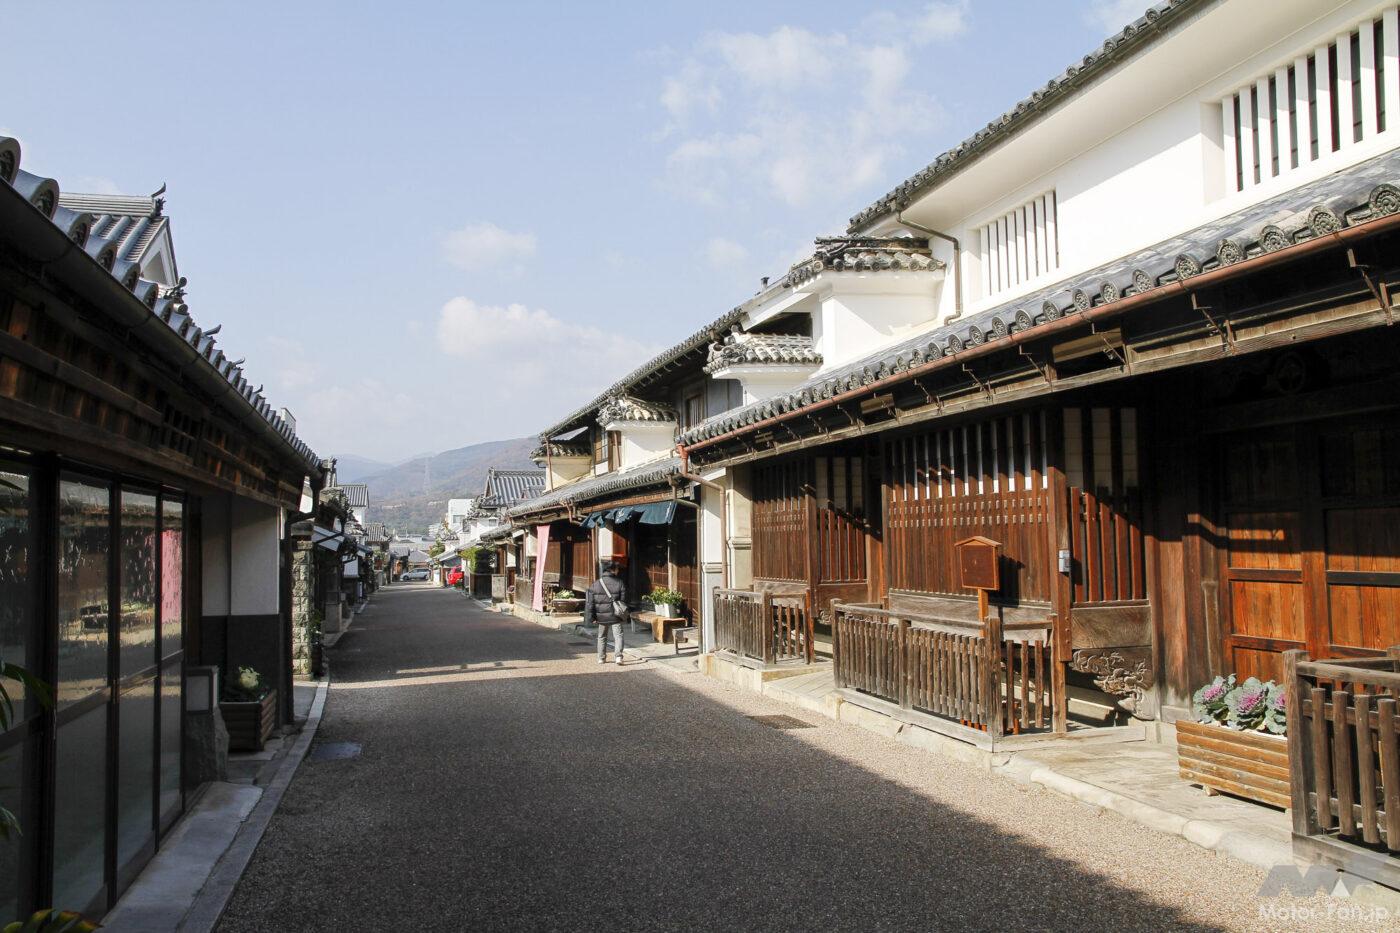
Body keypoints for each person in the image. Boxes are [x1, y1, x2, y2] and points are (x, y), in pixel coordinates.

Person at [584, 561, 627, 665]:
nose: (618, 571)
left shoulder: (596, 584)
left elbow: (590, 603)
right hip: (616, 615)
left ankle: (601, 658)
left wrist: (592, 617)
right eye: (617, 569)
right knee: (618, 635)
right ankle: (618, 657)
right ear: (612, 570)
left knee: (602, 637)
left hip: (601, 616)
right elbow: (623, 600)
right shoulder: (620, 582)